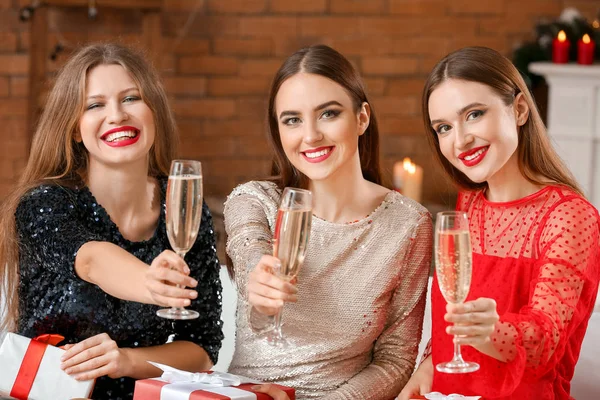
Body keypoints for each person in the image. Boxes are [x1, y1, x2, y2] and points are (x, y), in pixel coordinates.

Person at [0, 43, 223, 400]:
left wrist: (126, 360)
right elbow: (91, 260)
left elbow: (201, 348)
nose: (117, 115)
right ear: (75, 129)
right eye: (95, 105)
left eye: (131, 98)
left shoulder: (183, 207)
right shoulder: (43, 204)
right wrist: (150, 282)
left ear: (153, 112)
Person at [224, 44, 432, 400]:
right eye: (292, 120)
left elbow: (396, 361)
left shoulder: (408, 224)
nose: (310, 135)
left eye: (328, 114)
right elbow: (249, 250)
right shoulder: (254, 200)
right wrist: (258, 277)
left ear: (362, 118)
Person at [398, 46, 600, 400]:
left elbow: (546, 344)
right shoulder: (471, 203)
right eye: (443, 127)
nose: (459, 141)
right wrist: (430, 363)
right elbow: (453, 318)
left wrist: (496, 331)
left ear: (519, 109)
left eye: (474, 114)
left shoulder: (570, 215)